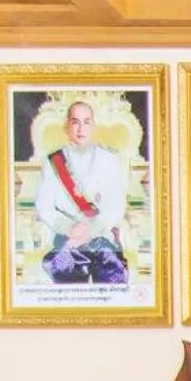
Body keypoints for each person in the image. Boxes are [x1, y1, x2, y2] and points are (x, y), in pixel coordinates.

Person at [32, 99, 129, 285]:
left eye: (86, 122)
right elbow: (44, 206)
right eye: (75, 122)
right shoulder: (54, 161)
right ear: (67, 126)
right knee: (67, 283)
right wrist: (69, 228)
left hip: (101, 237)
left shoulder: (108, 159)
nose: (80, 128)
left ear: (93, 125)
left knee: (113, 286)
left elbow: (116, 205)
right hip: (67, 238)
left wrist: (91, 230)